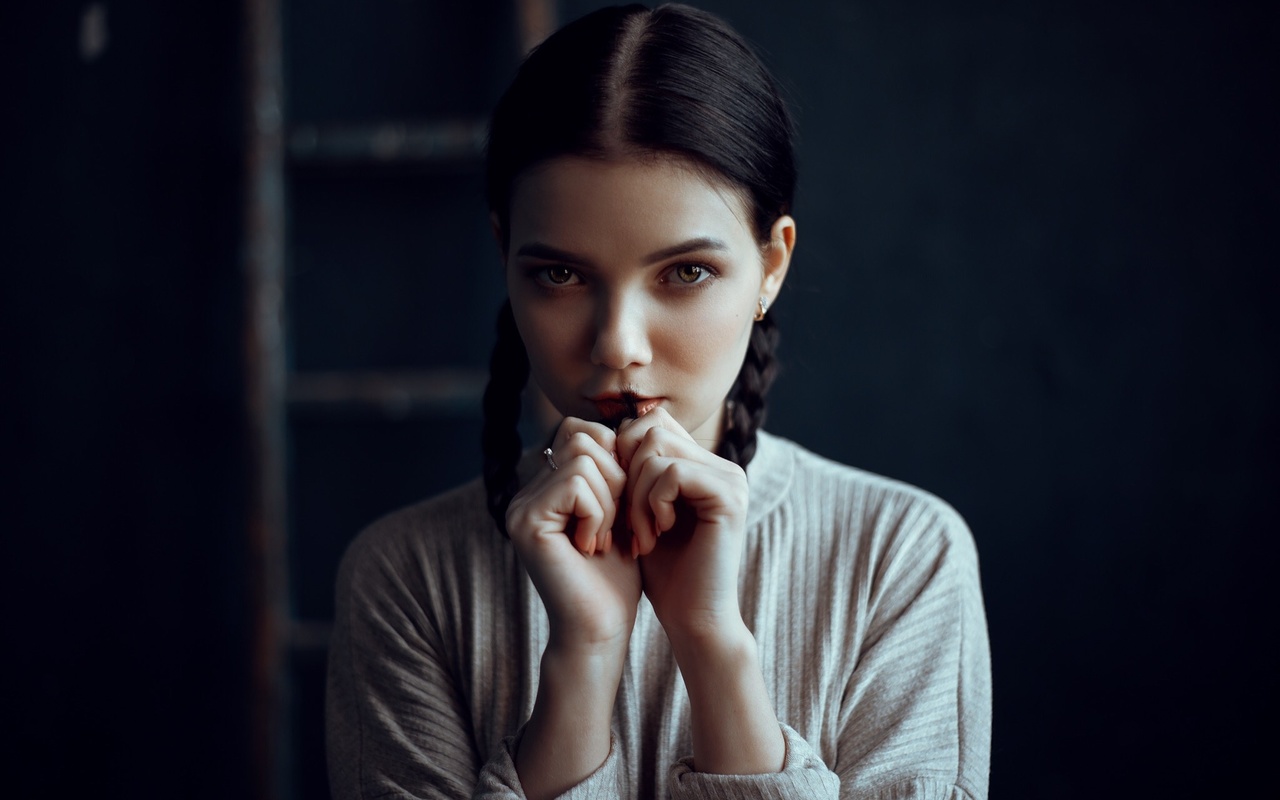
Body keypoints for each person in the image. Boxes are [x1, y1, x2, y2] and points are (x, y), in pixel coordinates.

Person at [326, 4, 991, 799]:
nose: (618, 344)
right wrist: (582, 657)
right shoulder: (406, 578)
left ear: (770, 266)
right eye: (560, 275)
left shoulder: (900, 557)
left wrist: (713, 645)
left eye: (685, 273)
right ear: (505, 257)